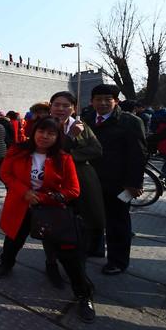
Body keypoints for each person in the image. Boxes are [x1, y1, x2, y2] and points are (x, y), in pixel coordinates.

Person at [0, 116, 95, 323]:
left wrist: (41, 197)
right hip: (21, 206)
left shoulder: (64, 158)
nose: (45, 136)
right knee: (14, 238)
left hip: (51, 211)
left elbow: (73, 190)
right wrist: (24, 192)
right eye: (42, 131)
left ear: (58, 136)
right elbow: (5, 172)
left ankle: (83, 294)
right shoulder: (18, 150)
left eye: (51, 133)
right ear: (34, 132)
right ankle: (6, 263)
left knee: (69, 256)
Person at [83, 84, 147, 275]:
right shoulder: (87, 120)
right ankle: (95, 248)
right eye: (98, 99)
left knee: (117, 222)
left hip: (119, 183)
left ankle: (118, 261)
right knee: (93, 217)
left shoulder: (130, 122)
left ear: (116, 101)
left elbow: (139, 154)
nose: (102, 103)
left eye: (107, 99)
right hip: (93, 181)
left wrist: (135, 183)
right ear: (91, 101)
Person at [49, 92, 105, 258]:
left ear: (73, 109)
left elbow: (96, 150)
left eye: (66, 105)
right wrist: (71, 137)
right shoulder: (44, 126)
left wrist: (69, 156)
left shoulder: (81, 126)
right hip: (54, 179)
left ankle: (87, 247)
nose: (61, 109)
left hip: (82, 177)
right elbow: (49, 153)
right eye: (57, 104)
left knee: (88, 214)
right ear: (50, 106)